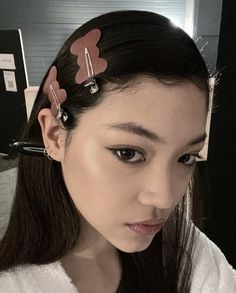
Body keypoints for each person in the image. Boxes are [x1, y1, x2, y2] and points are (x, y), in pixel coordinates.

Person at [0, 10, 235, 293]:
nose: (165, 197)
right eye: (128, 153)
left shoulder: (185, 250)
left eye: (186, 157)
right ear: (54, 135)